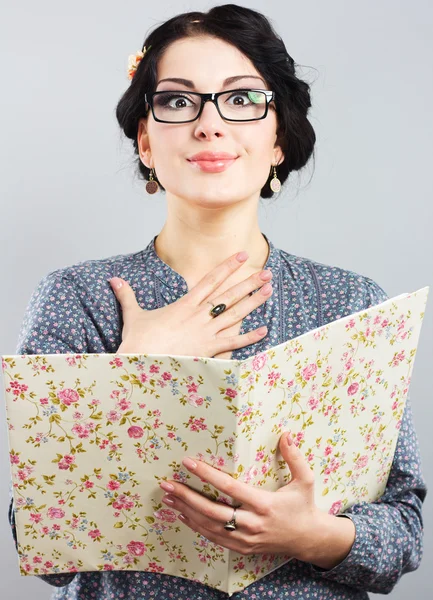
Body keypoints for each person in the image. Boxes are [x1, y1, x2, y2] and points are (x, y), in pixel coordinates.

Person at [8, 4, 426, 599]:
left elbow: (405, 529)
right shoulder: (76, 298)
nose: (209, 125)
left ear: (278, 136)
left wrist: (316, 536)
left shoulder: (350, 303)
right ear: (146, 141)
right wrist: (133, 370)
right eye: (178, 101)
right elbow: (39, 546)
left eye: (242, 99)